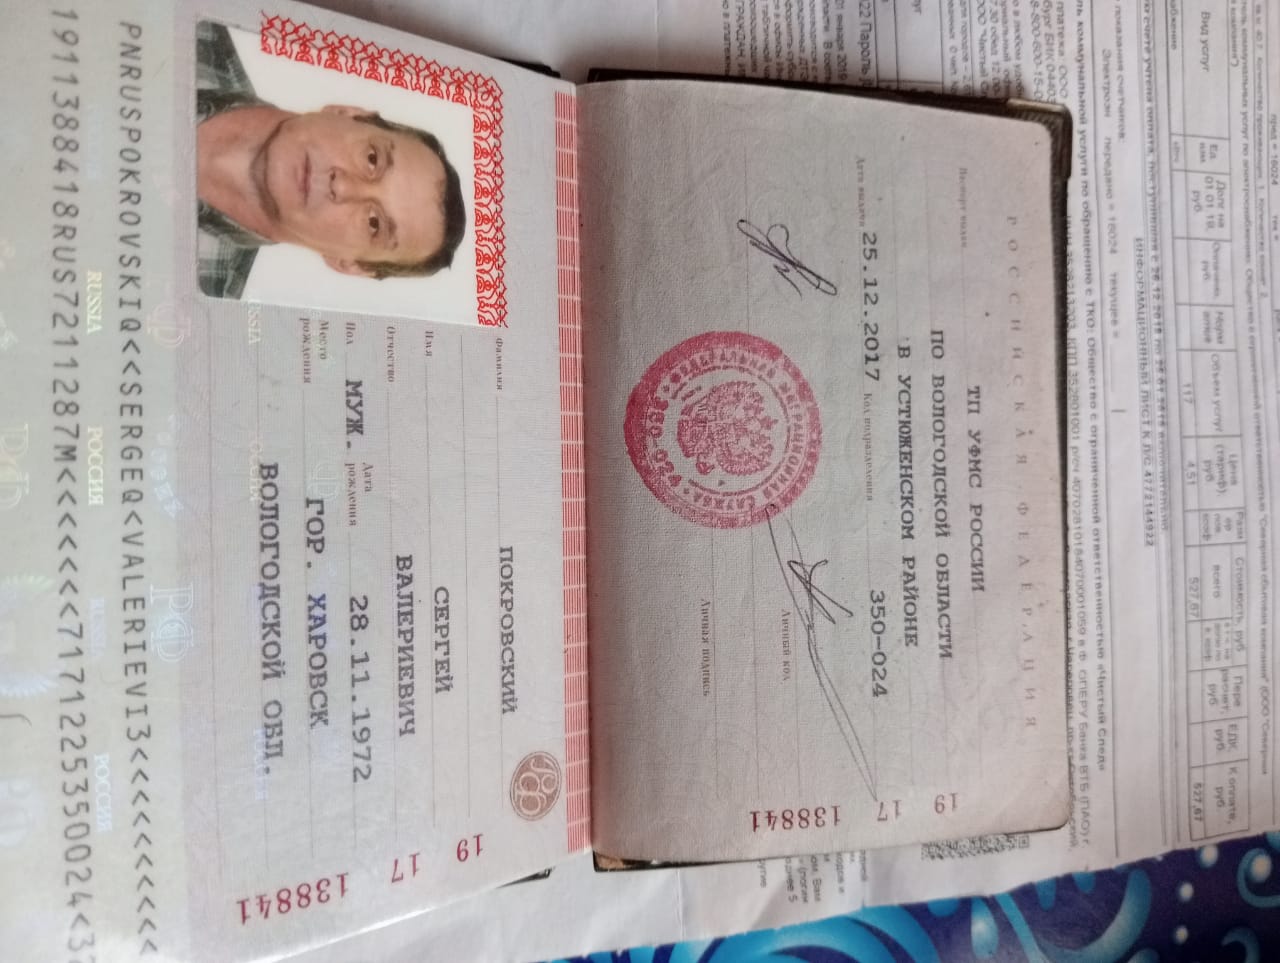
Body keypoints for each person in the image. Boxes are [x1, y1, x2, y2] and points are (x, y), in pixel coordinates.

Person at [195, 21, 467, 299]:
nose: (343, 186)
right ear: (345, 113)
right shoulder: (197, 28)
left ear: (348, 264)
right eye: (372, 159)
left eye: (374, 224)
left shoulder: (203, 307)